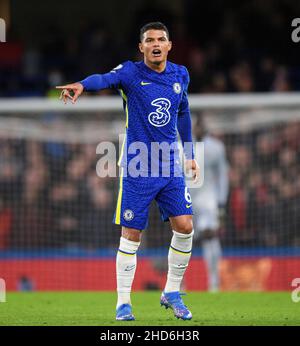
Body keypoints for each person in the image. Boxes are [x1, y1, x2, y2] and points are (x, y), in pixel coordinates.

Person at [56, 22, 199, 321]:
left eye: (161, 39)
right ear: (142, 47)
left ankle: (172, 291)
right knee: (131, 235)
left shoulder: (180, 74)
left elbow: (183, 113)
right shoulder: (131, 73)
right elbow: (104, 79)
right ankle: (123, 303)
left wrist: (190, 154)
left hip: (170, 163)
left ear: (169, 45)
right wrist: (82, 84)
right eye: (150, 40)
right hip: (138, 165)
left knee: (185, 226)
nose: (156, 44)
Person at [191, 117, 229, 292]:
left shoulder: (215, 147)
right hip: (186, 197)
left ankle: (214, 282)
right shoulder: (180, 145)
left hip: (207, 198)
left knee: (210, 237)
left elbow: (222, 175)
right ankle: (179, 284)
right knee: (182, 239)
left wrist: (221, 201)